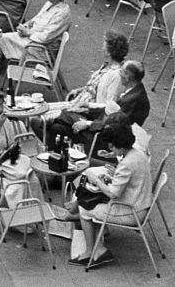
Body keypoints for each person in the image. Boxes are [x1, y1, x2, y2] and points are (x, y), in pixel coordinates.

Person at [67, 122, 153, 268]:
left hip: (132, 212)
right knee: (92, 202)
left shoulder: (127, 163)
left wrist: (96, 180)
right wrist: (114, 173)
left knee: (85, 209)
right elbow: (131, 176)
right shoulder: (138, 153)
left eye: (112, 146)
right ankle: (98, 247)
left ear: (120, 145)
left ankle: (91, 252)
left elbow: (113, 193)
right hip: (141, 203)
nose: (109, 148)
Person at [41, 31, 129, 146]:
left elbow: (109, 105)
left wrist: (88, 113)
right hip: (78, 102)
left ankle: (50, 147)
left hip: (85, 110)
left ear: (110, 51)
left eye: (104, 45)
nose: (102, 47)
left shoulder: (115, 75)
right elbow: (95, 85)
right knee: (43, 113)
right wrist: (80, 89)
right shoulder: (106, 65)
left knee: (42, 118)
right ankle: (52, 146)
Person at [0, 0, 71, 80]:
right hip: (32, 40)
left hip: (40, 49)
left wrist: (28, 33)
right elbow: (37, 19)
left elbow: (46, 37)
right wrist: (27, 25)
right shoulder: (50, 3)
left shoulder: (62, 13)